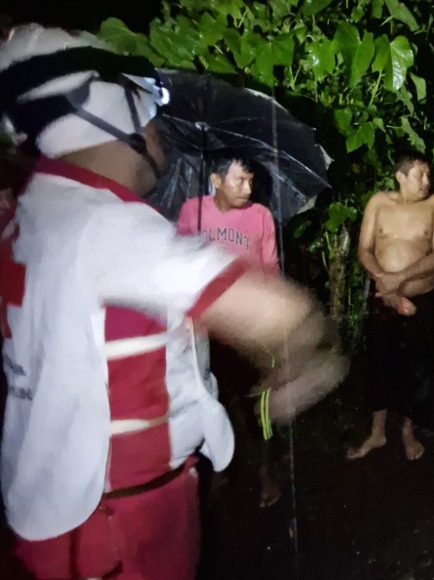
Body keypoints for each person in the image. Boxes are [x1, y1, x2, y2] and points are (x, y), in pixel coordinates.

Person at [0, 24, 346, 580]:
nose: (162, 131)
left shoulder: (33, 211)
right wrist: (315, 355)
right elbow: (279, 313)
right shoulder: (105, 226)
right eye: (151, 112)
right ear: (112, 119)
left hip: (58, 514)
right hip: (116, 524)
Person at [177, 157, 282, 507]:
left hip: (249, 327)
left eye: (251, 181)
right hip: (205, 329)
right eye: (240, 181)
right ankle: (221, 468)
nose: (248, 189)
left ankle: (265, 472)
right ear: (216, 181)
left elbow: (270, 270)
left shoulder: (261, 217)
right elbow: (179, 263)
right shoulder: (193, 211)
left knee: (259, 403)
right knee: (212, 399)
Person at [346, 151, 434, 461]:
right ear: (400, 177)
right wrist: (386, 285)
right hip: (383, 298)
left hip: (420, 300)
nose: (427, 181)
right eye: (420, 175)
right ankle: (377, 432)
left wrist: (400, 278)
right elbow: (364, 249)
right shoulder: (378, 202)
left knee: (417, 368)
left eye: (429, 175)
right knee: (379, 362)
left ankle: (408, 430)